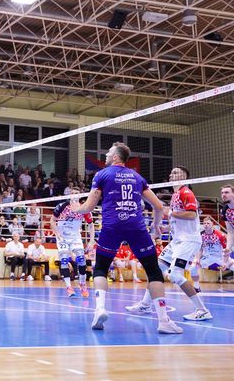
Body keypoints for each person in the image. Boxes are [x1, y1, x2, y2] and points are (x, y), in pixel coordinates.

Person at [71, 142, 182, 333]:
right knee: (153, 271)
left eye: (108, 152)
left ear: (115, 157)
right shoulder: (137, 177)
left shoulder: (102, 175)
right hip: (136, 227)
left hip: (112, 226)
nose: (105, 154)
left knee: (101, 268)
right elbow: (158, 206)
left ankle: (100, 309)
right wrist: (155, 226)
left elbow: (89, 207)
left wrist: (76, 209)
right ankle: (164, 321)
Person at [125, 166, 211, 322]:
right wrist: (166, 227)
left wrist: (170, 213)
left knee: (175, 274)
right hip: (177, 241)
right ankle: (145, 304)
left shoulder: (186, 192)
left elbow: (191, 215)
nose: (172, 174)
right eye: (171, 172)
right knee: (156, 270)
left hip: (189, 240)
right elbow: (178, 219)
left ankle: (202, 310)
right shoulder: (175, 195)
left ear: (185, 176)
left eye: (176, 173)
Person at [50, 187, 95, 297]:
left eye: (76, 193)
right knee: (64, 259)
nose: (74, 195)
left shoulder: (84, 208)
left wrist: (91, 240)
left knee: (81, 258)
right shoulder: (62, 206)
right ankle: (69, 287)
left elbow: (91, 224)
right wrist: (57, 234)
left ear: (79, 196)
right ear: (70, 195)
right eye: (72, 193)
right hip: (62, 238)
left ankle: (82, 284)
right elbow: (52, 221)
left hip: (75, 237)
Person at [189, 216, 227, 292]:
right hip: (207, 258)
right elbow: (200, 249)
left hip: (220, 257)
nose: (206, 225)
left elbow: (225, 250)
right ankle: (197, 287)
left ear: (212, 224)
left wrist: (224, 262)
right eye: (204, 223)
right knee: (193, 268)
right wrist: (198, 259)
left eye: (208, 223)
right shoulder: (201, 235)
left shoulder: (220, 235)